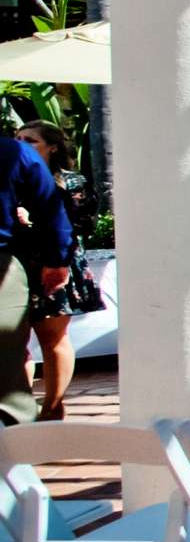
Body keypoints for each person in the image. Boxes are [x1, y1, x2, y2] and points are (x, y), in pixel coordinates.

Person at [14, 123, 87, 421]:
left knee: (53, 338)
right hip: (17, 265)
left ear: (52, 146)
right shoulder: (13, 177)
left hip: (56, 263)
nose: (21, 144)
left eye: (30, 140)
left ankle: (53, 407)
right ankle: (21, 408)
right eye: (17, 139)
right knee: (15, 343)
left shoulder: (70, 182)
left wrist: (34, 221)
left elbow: (82, 223)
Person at [0, 130, 72, 426]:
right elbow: (51, 210)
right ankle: (13, 460)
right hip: (2, 266)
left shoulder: (16, 153)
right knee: (5, 370)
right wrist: (56, 260)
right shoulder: (14, 153)